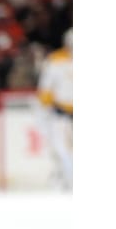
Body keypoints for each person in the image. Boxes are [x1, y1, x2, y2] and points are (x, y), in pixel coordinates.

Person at [36, 28, 72, 190]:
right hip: (61, 115)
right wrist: (49, 107)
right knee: (62, 149)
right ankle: (67, 181)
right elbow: (45, 90)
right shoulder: (55, 61)